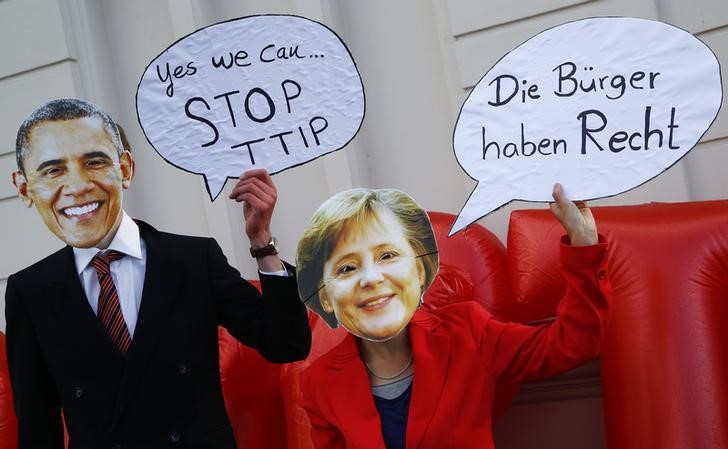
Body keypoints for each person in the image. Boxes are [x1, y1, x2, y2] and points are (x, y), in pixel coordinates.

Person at [5, 98, 311, 448]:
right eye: (53, 170)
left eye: (94, 162)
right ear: (25, 188)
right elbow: (35, 425)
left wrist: (262, 244)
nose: (77, 186)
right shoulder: (30, 291)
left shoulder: (194, 259)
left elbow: (286, 345)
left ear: (125, 169)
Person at [296, 187, 610, 449]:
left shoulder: (469, 332)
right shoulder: (318, 384)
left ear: (419, 271)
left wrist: (584, 250)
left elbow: (573, 344)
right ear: (325, 296)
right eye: (347, 269)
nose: (370, 278)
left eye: (387, 256)